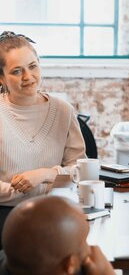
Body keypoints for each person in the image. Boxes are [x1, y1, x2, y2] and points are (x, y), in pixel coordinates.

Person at [0, 31, 86, 242]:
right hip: (5, 216)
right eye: (16, 71)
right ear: (1, 78)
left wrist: (45, 174)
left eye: (33, 66)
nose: (28, 77)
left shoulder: (63, 110)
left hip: (56, 212)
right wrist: (22, 188)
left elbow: (81, 171)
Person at [0, 195, 115, 275]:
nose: (92, 248)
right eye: (84, 240)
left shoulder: (14, 257)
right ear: (70, 265)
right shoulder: (83, 269)